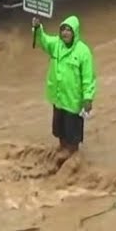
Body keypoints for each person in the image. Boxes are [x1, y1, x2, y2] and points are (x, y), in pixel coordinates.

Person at [32, 14, 97, 156]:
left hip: (73, 102)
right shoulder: (56, 45)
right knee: (60, 133)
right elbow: (42, 40)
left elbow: (88, 77)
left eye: (69, 30)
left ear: (75, 32)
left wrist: (88, 98)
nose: (65, 33)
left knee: (73, 139)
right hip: (59, 99)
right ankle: (62, 152)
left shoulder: (83, 52)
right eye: (63, 30)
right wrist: (37, 28)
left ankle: (73, 160)